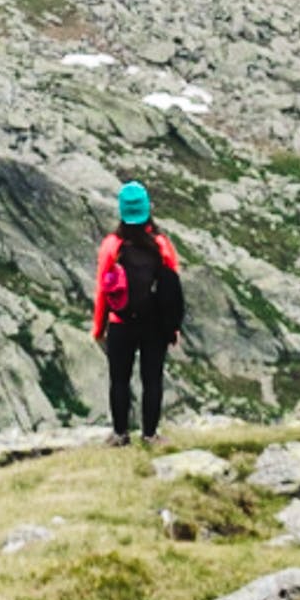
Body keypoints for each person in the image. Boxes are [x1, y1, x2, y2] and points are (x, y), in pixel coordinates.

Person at [92, 179, 186, 445]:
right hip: (154, 325)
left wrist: (99, 327)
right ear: (147, 209)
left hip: (120, 322)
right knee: (152, 380)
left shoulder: (112, 245)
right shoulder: (161, 244)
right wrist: (173, 327)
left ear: (122, 211)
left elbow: (102, 290)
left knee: (119, 380)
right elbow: (171, 290)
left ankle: (120, 434)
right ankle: (150, 435)